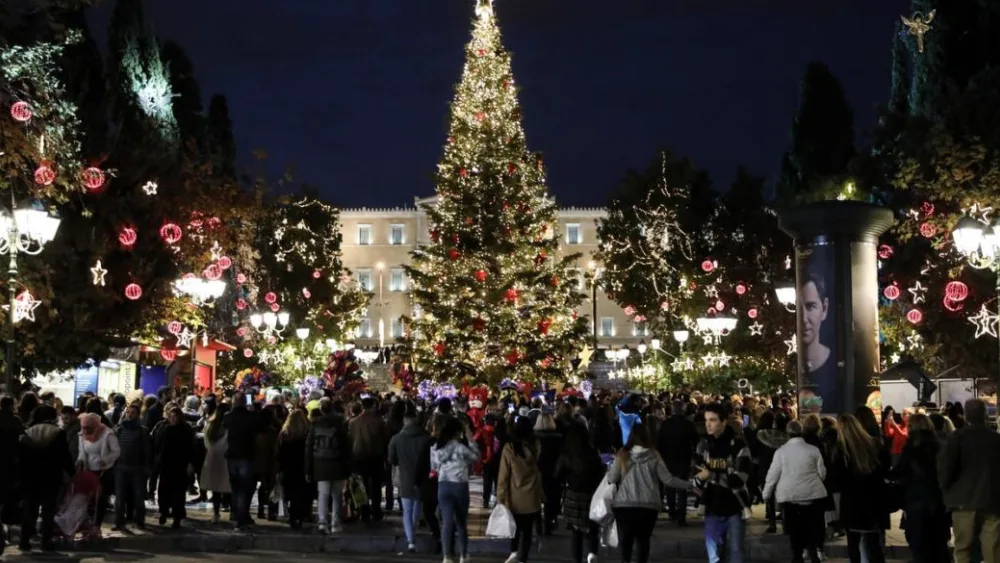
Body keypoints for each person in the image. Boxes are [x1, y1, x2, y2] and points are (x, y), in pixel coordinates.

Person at [610, 422, 695, 563]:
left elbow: (612, 478)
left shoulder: (622, 454)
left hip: (624, 504)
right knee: (643, 541)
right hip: (649, 505)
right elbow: (668, 479)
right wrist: (689, 485)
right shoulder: (654, 455)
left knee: (626, 541)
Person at [938, 398, 1000, 563]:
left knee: (963, 549)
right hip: (992, 501)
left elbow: (945, 469)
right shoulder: (996, 439)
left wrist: (947, 493)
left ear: (966, 416)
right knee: (993, 551)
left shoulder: (957, 438)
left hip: (962, 502)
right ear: (985, 415)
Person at [762, 420, 826, 563]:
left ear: (787, 433)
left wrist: (766, 493)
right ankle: (814, 552)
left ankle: (797, 556)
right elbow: (821, 472)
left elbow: (773, 474)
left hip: (790, 496)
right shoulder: (813, 450)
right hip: (812, 494)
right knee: (811, 526)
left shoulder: (780, 452)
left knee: (794, 530)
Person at [694, 404, 751, 563]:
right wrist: (702, 478)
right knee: (714, 556)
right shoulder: (703, 444)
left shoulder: (738, 445)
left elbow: (740, 477)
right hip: (711, 507)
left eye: (712, 420)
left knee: (736, 552)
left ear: (724, 422)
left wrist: (710, 475)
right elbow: (696, 476)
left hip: (735, 507)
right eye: (706, 420)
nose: (708, 424)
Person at [889, 413, 949, 563]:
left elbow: (897, 472)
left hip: (916, 502)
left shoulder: (911, 448)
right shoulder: (941, 445)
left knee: (920, 545)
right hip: (939, 501)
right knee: (939, 545)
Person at [829, 414, 888, 563]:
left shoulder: (840, 451)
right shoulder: (875, 445)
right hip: (875, 500)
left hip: (852, 502)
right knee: (873, 544)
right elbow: (885, 471)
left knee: (853, 542)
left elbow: (836, 480)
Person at [18, 405, 73, 552]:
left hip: (31, 479)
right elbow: (65, 457)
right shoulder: (58, 433)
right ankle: (46, 541)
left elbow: (20, 459)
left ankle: (24, 540)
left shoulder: (27, 433)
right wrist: (72, 473)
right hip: (51, 477)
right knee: (48, 511)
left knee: (30, 510)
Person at [431, 416, 479, 563]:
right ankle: (463, 555)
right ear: (458, 432)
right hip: (460, 486)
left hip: (443, 486)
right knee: (460, 522)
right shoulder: (461, 447)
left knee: (446, 522)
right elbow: (476, 457)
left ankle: (447, 557)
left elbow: (434, 467)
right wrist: (470, 439)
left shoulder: (435, 447)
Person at [555, 422, 604, 563]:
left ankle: (577, 560)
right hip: (590, 495)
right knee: (592, 529)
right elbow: (600, 473)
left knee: (576, 533)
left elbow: (557, 475)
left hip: (573, 495)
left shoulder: (567, 454)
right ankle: (592, 555)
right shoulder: (593, 452)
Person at [498, 416, 543, 563]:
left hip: (514, 495)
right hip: (532, 494)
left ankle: (513, 552)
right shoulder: (536, 445)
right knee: (528, 530)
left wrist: (501, 496)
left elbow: (504, 476)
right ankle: (523, 557)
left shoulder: (509, 448)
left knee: (514, 527)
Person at [388, 403, 432, 553]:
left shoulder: (396, 439)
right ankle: (412, 533)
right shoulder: (426, 438)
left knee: (406, 509)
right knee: (417, 508)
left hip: (405, 476)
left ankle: (410, 540)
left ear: (404, 423)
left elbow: (392, 459)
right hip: (422, 478)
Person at [305, 398, 352, 534]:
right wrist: (348, 467)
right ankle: (335, 523)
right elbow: (347, 447)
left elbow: (308, 448)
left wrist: (308, 469)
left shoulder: (315, 425)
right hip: (338, 463)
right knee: (337, 495)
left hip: (320, 463)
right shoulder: (340, 424)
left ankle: (322, 522)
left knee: (323, 494)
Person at [798, 272, 837, 414]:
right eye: (797, 307)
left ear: (824, 309)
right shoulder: (798, 366)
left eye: (810, 306)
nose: (803, 319)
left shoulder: (836, 366)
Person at [657, 401, 699, 527]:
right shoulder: (688, 424)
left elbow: (659, 442)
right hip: (683, 458)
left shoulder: (665, 424)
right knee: (682, 487)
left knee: (670, 485)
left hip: (668, 459)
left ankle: (672, 511)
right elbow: (696, 441)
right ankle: (681, 516)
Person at [76, 412, 121, 528]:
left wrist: (106, 460)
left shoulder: (108, 434)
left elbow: (116, 451)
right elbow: (82, 452)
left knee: (100, 499)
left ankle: (97, 525)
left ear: (95, 426)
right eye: (84, 428)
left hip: (103, 471)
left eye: (88, 428)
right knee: (88, 499)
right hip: (88, 470)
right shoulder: (81, 435)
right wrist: (80, 460)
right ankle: (88, 524)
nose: (86, 431)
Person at [154, 406, 196, 528]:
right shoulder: (165, 428)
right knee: (164, 491)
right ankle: (164, 512)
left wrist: (190, 463)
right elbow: (159, 446)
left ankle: (176, 517)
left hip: (180, 465)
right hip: (167, 464)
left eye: (175, 416)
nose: (173, 419)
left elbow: (190, 448)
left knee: (178, 492)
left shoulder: (185, 430)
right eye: (171, 416)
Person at [348, 396, 388, 522]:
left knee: (361, 485)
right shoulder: (380, 421)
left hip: (358, 456)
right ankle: (376, 510)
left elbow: (350, 439)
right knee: (376, 485)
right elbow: (385, 439)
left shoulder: (353, 422)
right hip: (376, 455)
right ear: (373, 406)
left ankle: (364, 511)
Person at [224, 391, 259, 531]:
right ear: (245, 402)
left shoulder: (227, 417)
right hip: (246, 455)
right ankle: (241, 518)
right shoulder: (251, 417)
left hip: (232, 455)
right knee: (245, 488)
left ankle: (237, 514)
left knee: (235, 487)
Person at [113, 403, 151, 530]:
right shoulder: (119, 429)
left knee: (138, 497)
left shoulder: (142, 431)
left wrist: (146, 467)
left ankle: (140, 521)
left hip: (137, 468)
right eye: (128, 412)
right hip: (121, 467)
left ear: (138, 414)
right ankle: (119, 522)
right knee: (120, 497)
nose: (129, 415)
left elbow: (147, 451)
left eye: (132, 413)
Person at [277, 408, 309, 529]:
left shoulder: (284, 434)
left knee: (290, 492)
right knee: (300, 493)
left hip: (287, 466)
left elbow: (279, 452)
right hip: (302, 466)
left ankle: (292, 517)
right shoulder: (306, 433)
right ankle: (299, 517)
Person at [201, 403, 231, 524]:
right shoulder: (228, 426)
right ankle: (229, 507)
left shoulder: (210, 425)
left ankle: (216, 513)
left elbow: (205, 442)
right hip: (226, 458)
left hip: (212, 458)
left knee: (216, 488)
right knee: (228, 485)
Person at [533, 410, 563, 535]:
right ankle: (549, 523)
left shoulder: (533, 437)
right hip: (553, 472)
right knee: (551, 499)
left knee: (536, 498)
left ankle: (538, 523)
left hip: (537, 471)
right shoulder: (558, 438)